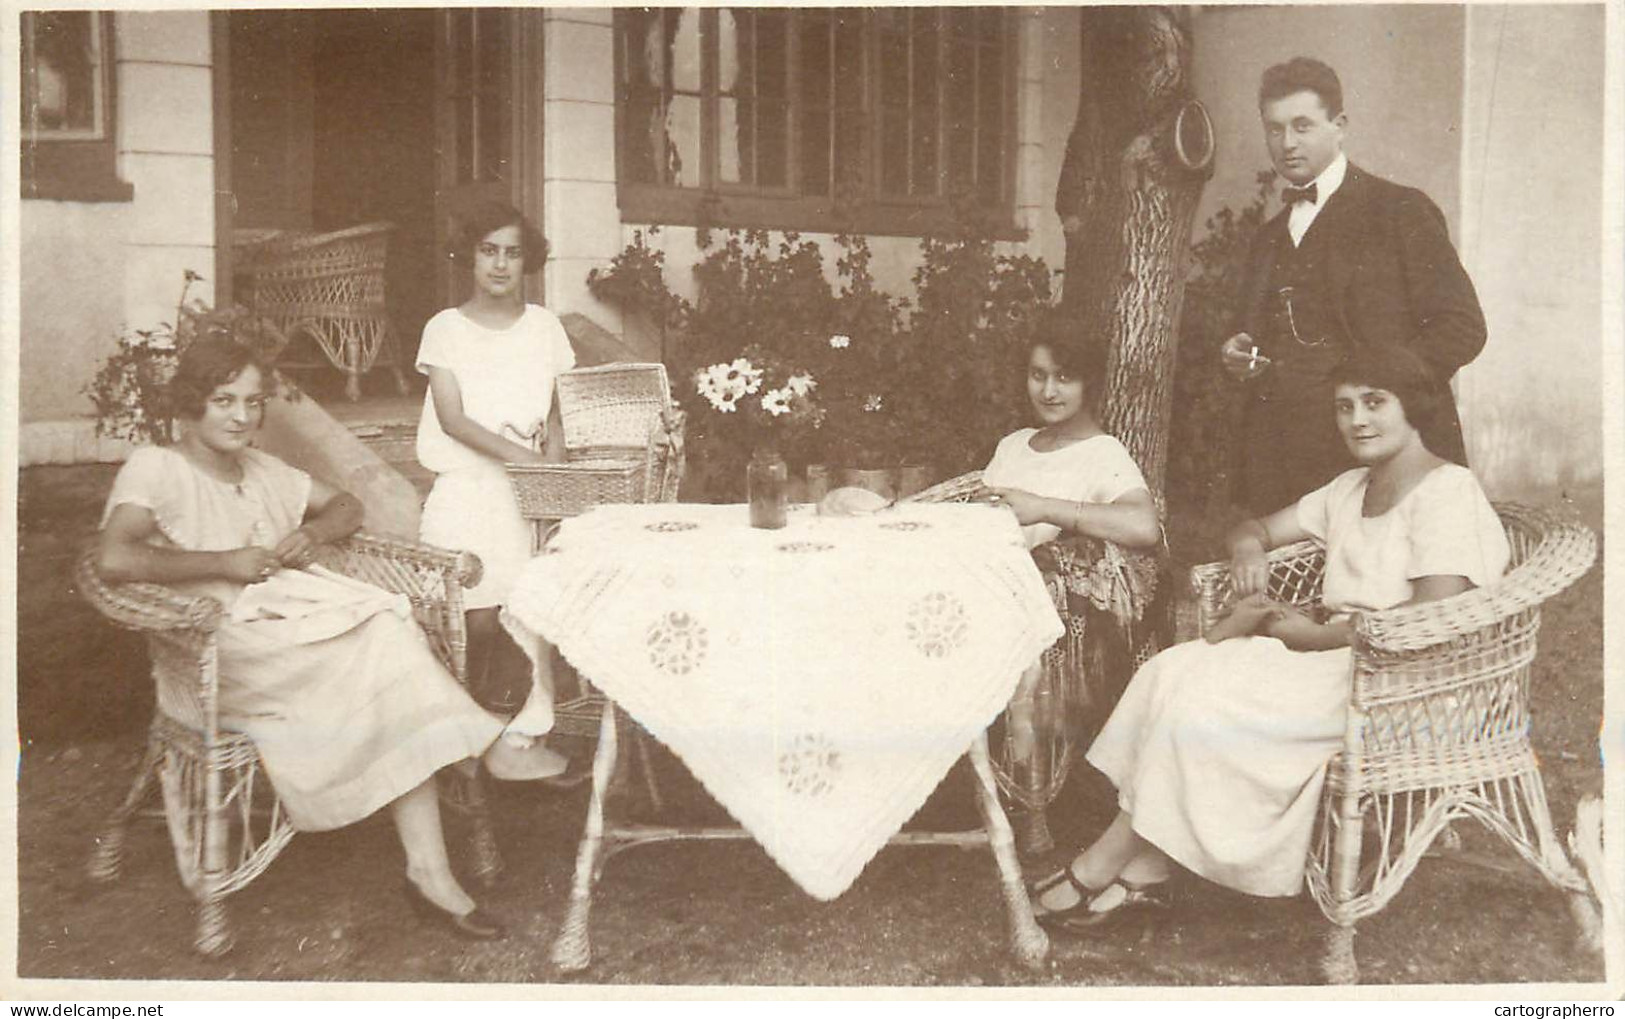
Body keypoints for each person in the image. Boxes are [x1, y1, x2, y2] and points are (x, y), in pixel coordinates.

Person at [1030, 344, 1510, 932]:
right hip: (1336, 657)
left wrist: (1313, 637)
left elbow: (1434, 612)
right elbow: (1250, 528)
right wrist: (1251, 549)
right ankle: (1149, 866)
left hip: (1404, 679)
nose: (1357, 420)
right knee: (1175, 671)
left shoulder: (1447, 492)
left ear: (1414, 406)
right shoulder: (1351, 488)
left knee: (1207, 704)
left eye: (1375, 403)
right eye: (1344, 407)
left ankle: (1107, 862)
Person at [97, 340, 510, 940]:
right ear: (191, 404)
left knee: (386, 637)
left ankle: (430, 869)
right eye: (223, 401)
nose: (242, 417)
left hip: (296, 645)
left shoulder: (263, 470)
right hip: (218, 656)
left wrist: (312, 531)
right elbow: (113, 556)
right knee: (386, 637)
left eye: (253, 402)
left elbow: (348, 505)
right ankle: (480, 745)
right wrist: (224, 562)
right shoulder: (158, 468)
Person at [1220, 57, 1487, 516]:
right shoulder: (1266, 239)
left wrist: (1383, 397)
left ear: (1338, 125)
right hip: (1285, 462)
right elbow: (1258, 338)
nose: (1287, 143)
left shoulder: (1400, 211)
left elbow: (1462, 328)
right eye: (1275, 129)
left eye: (1302, 126)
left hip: (1381, 455)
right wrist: (1237, 354)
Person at [415, 202, 577, 782]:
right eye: (489, 250)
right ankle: (474, 741)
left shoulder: (546, 328)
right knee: (475, 621)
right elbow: (454, 420)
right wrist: (527, 461)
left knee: (528, 614)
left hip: (527, 494)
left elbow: (561, 409)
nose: (500, 264)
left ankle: (525, 739)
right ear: (470, 256)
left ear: (526, 260)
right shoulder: (445, 329)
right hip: (467, 492)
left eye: (512, 252)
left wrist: (551, 471)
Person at [977, 326, 1162, 760]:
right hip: (987, 584)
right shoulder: (1014, 445)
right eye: (1038, 375)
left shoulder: (1103, 453)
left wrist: (1042, 507)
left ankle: (1017, 767)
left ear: (1089, 384)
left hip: (1038, 608)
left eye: (1064, 378)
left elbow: (1143, 525)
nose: (1048, 390)